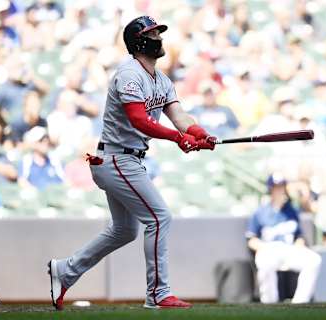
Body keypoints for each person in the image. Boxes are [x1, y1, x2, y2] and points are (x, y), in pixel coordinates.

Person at [48, 16, 216, 310]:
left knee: (124, 230)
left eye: (158, 33)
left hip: (126, 160)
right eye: (152, 34)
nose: (159, 38)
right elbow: (139, 120)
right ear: (138, 41)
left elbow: (180, 117)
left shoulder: (161, 80)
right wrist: (179, 139)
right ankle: (158, 293)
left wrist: (199, 133)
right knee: (159, 217)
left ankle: (66, 270)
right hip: (116, 158)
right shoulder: (128, 74)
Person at [246, 175, 322, 304]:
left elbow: (298, 236)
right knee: (264, 262)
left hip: (289, 249)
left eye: (281, 187)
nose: (279, 190)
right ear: (270, 189)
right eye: (276, 187)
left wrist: (300, 243)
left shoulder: (291, 211)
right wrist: (265, 248)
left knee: (314, 260)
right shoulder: (260, 212)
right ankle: (269, 303)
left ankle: (300, 302)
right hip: (269, 249)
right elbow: (251, 240)